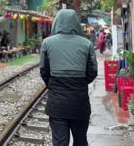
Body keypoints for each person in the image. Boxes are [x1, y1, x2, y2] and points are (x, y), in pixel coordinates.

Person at [40, 9, 97, 146]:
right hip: (80, 103)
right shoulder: (87, 44)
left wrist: (55, 84)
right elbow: (92, 72)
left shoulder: (47, 43)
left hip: (57, 104)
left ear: (57, 23)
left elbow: (44, 71)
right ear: (76, 24)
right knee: (80, 140)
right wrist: (80, 82)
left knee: (60, 142)